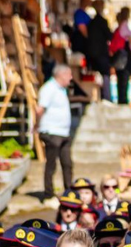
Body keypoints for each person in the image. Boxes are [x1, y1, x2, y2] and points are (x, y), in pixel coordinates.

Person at [37, 64, 74, 198]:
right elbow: (39, 109)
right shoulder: (49, 88)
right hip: (51, 132)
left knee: (67, 163)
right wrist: (37, 126)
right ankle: (48, 194)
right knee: (51, 164)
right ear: (61, 75)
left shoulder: (61, 89)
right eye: (69, 75)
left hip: (63, 132)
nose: (71, 78)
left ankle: (69, 192)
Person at [109, 7, 131, 104]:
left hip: (120, 60)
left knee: (121, 85)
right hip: (124, 60)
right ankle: (123, 104)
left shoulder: (118, 29)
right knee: (123, 86)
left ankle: (122, 103)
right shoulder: (124, 28)